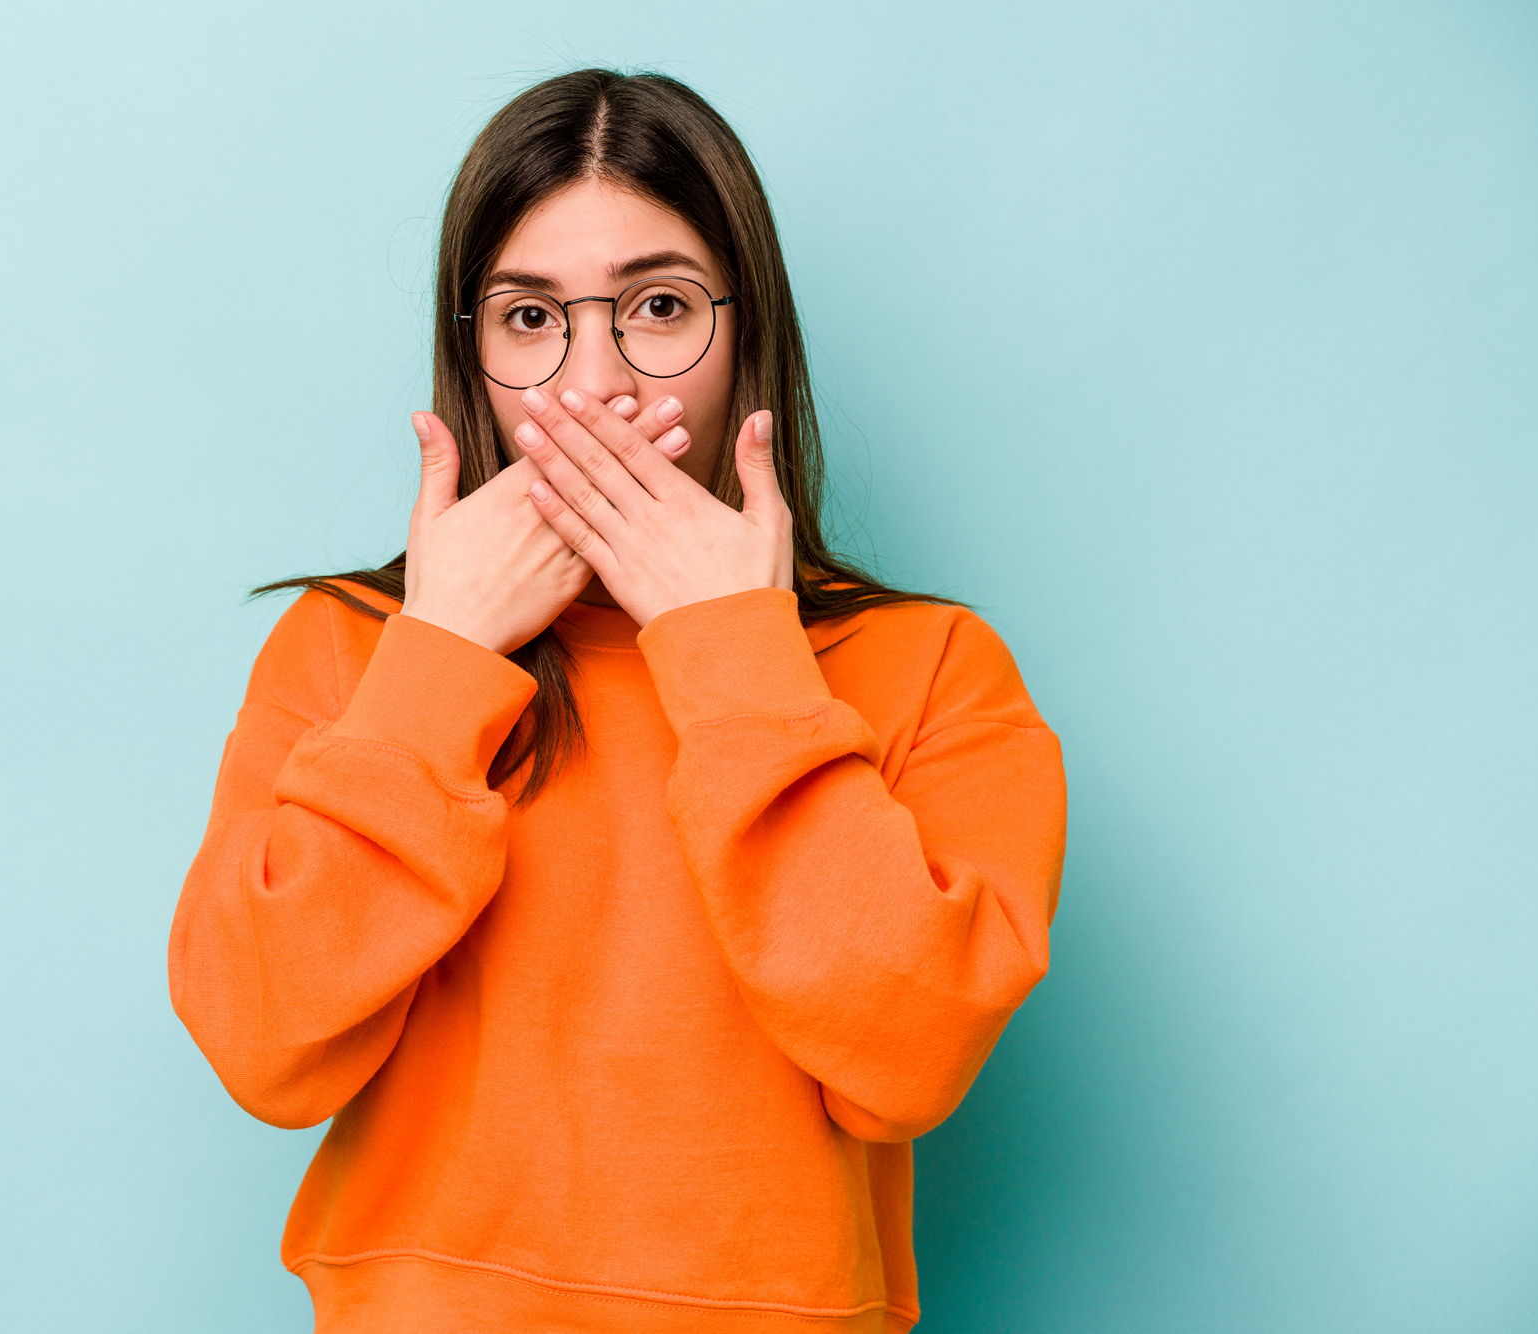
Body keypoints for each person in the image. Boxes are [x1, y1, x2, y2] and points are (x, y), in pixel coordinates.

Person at [169, 68, 1067, 1334]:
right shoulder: (352, 648)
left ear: (745, 332)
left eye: (655, 307)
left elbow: (908, 1052)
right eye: (530, 320)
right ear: (470, 355)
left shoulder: (931, 666)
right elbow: (263, 1041)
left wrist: (731, 652)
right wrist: (443, 651)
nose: (594, 384)